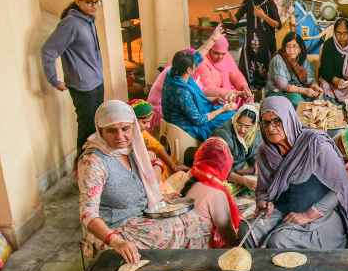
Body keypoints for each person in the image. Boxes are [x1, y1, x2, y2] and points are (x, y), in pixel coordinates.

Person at [78, 100, 209, 262]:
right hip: (114, 229)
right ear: (100, 131)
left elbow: (147, 177)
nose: (120, 137)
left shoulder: (133, 149)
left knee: (195, 221)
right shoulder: (93, 162)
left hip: (140, 216)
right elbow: (87, 215)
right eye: (111, 131)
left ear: (133, 126)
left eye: (125, 129)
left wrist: (162, 197)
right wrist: (117, 241)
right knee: (171, 231)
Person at [246, 96, 348, 250]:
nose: (271, 128)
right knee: (247, 231)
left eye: (277, 121)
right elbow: (263, 190)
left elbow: (341, 188)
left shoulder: (315, 145)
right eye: (265, 123)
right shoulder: (265, 152)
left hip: (321, 214)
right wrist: (263, 202)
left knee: (278, 242)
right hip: (283, 210)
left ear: (289, 119)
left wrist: (308, 215)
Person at [41, 0, 105, 150]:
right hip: (84, 86)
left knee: (98, 126)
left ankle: (96, 165)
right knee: (87, 129)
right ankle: (80, 167)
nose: (93, 6)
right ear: (78, 1)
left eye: (96, 1)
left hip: (97, 81)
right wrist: (54, 80)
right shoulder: (70, 23)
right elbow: (48, 50)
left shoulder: (88, 20)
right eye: (89, 2)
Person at [162, 45, 237, 142]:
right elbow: (199, 120)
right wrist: (222, 109)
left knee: (225, 111)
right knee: (230, 116)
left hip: (179, 118)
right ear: (189, 70)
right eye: (194, 66)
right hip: (187, 126)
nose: (196, 66)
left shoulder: (172, 74)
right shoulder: (182, 92)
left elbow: (197, 57)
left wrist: (215, 99)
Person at [182, 137, 240, 248]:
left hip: (183, 246)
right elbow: (228, 237)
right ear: (225, 164)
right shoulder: (217, 194)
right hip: (200, 252)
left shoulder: (189, 178)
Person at [233, 0, 280, 90]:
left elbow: (278, 24)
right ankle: (250, 96)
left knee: (267, 74)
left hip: (266, 45)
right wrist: (227, 13)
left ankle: (267, 96)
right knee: (248, 73)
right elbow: (235, 20)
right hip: (251, 44)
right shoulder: (248, 2)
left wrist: (263, 16)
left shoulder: (269, 3)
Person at [129, 98, 185, 182]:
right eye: (144, 122)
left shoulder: (141, 132)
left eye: (149, 122)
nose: (148, 126)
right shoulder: (126, 137)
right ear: (131, 120)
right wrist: (157, 163)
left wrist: (174, 166)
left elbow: (157, 147)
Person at [210, 103, 261, 192]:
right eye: (240, 124)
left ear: (253, 125)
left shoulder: (253, 133)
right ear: (236, 119)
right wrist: (244, 180)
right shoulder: (223, 135)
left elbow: (254, 154)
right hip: (218, 171)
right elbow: (220, 168)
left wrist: (256, 165)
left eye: (247, 126)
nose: (242, 130)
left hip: (238, 170)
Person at [193, 34, 254, 108]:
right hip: (212, 99)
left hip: (229, 94)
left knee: (247, 100)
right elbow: (208, 89)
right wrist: (235, 93)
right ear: (209, 49)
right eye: (216, 53)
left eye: (223, 54)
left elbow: (235, 74)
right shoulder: (202, 62)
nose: (220, 57)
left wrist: (243, 86)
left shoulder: (226, 56)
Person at [318, 18, 348, 102]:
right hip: (333, 82)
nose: (341, 36)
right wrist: (334, 80)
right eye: (338, 33)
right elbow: (325, 69)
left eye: (345, 33)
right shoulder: (329, 44)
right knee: (325, 86)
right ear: (334, 32)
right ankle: (333, 104)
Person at [266, 32, 321, 105]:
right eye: (288, 46)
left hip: (299, 91)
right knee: (296, 99)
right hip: (278, 93)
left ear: (300, 49)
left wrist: (314, 86)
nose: (291, 50)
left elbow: (310, 80)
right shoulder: (278, 60)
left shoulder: (302, 60)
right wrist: (304, 91)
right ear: (284, 47)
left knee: (317, 97)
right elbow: (283, 86)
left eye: (295, 46)